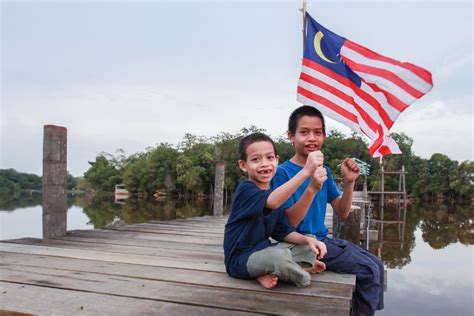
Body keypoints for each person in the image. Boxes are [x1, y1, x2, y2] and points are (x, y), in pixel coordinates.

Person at [271, 105, 384, 315]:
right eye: (304, 132)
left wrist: (349, 183)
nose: (311, 138)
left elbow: (342, 212)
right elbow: (288, 225)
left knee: (376, 264)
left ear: (324, 135)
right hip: (300, 243)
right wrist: (312, 187)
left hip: (323, 239)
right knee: (368, 271)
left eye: (317, 132)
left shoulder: (325, 171)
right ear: (291, 136)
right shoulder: (282, 174)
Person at [223, 132, 328, 289]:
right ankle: (298, 271)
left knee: (309, 241)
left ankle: (275, 270)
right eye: (255, 159)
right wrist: (305, 171)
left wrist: (309, 241)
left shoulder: (275, 191)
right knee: (277, 257)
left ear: (277, 160)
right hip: (241, 259)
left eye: (270, 158)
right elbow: (271, 202)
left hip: (265, 250)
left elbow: (283, 231)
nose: (264, 164)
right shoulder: (246, 190)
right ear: (243, 165)